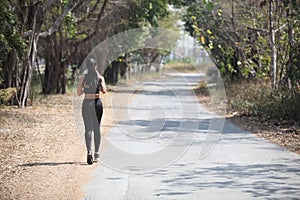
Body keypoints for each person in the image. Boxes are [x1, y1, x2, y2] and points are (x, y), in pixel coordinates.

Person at [77, 58, 107, 165]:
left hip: (87, 103)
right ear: (96, 66)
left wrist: (85, 88)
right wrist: (101, 81)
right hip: (97, 103)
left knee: (88, 129)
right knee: (97, 128)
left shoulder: (83, 77)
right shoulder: (99, 78)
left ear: (87, 67)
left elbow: (79, 93)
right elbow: (104, 91)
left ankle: (89, 151)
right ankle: (96, 153)